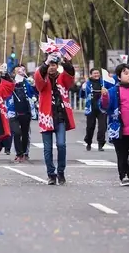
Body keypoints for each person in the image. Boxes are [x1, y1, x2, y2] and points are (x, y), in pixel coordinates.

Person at [33, 55, 76, 185]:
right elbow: (38, 78)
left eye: (54, 65)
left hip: (60, 116)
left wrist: (66, 61)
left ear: (57, 66)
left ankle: (61, 171)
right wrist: (45, 63)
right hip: (46, 117)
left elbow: (70, 76)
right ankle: (51, 174)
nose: (52, 67)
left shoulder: (62, 78)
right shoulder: (42, 79)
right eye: (49, 65)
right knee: (47, 148)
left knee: (61, 145)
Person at [82, 68, 107, 153]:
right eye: (94, 73)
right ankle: (88, 142)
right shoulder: (87, 84)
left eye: (98, 73)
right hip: (91, 108)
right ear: (91, 75)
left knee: (102, 127)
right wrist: (83, 88)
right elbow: (81, 95)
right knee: (90, 127)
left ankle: (101, 144)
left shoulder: (103, 83)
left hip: (101, 108)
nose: (96, 75)